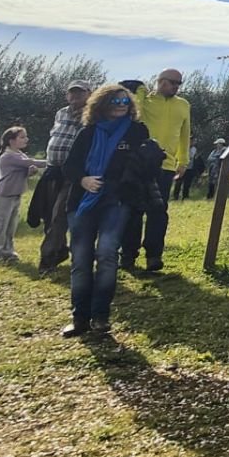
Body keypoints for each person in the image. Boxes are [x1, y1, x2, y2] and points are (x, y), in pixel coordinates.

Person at [60, 84, 159, 338]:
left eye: (125, 102)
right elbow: (70, 166)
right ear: (101, 104)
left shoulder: (137, 131)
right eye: (115, 101)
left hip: (117, 200)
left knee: (106, 254)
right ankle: (79, 317)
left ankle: (101, 316)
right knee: (80, 260)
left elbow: (146, 163)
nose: (121, 106)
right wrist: (84, 180)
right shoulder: (88, 133)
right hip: (83, 200)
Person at [125, 69, 190, 274]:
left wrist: (184, 160)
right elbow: (136, 113)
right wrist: (143, 91)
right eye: (172, 82)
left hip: (167, 166)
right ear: (160, 81)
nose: (176, 86)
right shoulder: (146, 100)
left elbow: (185, 133)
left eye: (179, 83)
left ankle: (154, 255)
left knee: (158, 212)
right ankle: (127, 254)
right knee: (133, 210)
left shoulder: (183, 104)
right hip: (140, 163)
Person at [32, 82, 91, 272]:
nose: (75, 96)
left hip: (72, 172)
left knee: (59, 214)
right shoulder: (61, 113)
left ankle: (47, 259)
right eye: (72, 92)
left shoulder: (92, 115)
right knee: (48, 214)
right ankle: (60, 250)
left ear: (89, 94)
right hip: (53, 169)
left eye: (80, 93)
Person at [0, 126, 46, 266]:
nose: (26, 139)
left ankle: (6, 253)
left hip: (15, 195)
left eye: (25, 136)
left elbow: (21, 172)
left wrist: (30, 173)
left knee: (10, 226)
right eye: (22, 137)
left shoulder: (19, 154)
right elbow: (31, 163)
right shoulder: (8, 156)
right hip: (3, 196)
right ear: (11, 140)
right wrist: (52, 162)